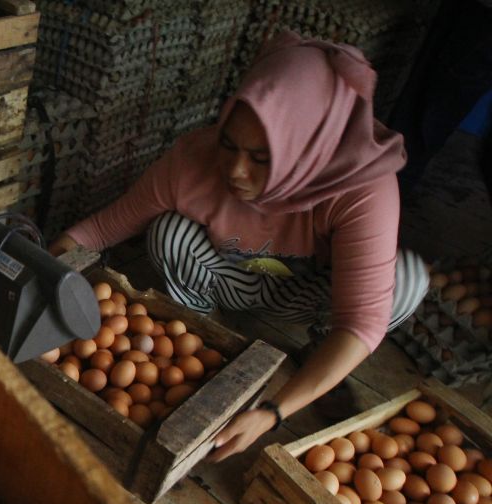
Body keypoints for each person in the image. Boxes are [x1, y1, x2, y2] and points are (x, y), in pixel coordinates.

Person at [49, 31, 430, 462]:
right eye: (229, 144)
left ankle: (319, 351)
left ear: (311, 149)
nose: (235, 170)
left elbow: (362, 322)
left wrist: (272, 410)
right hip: (230, 281)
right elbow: (99, 230)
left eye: (262, 157)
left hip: (309, 298)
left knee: (407, 280)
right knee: (169, 233)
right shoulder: (195, 159)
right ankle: (205, 334)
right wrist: (44, 270)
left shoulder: (360, 187)